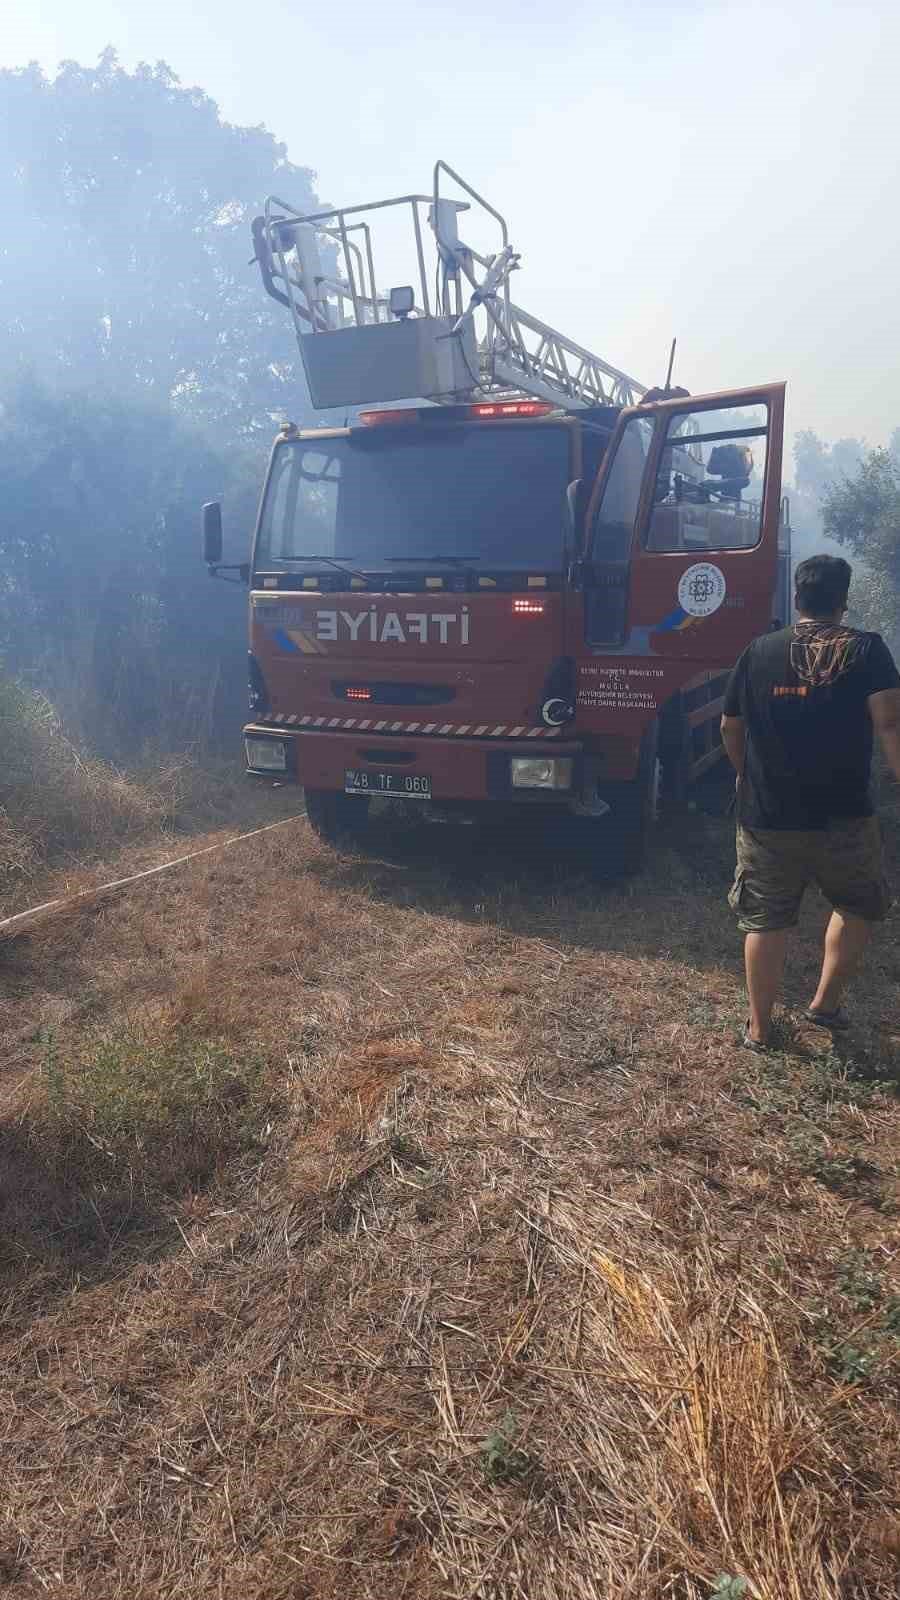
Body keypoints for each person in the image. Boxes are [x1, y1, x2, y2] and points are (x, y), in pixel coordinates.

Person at [720, 554, 900, 1049]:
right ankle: (824, 1004)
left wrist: (745, 776)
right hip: (845, 813)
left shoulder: (758, 651)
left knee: (765, 918)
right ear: (844, 601)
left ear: (797, 598)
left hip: (768, 816)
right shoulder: (868, 649)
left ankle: (759, 1028)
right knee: (857, 904)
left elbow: (729, 727)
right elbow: (889, 723)